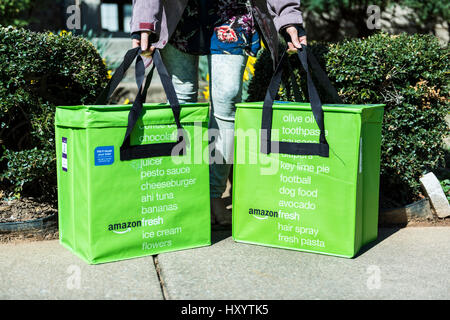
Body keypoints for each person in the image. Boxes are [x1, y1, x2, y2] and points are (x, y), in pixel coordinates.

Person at [130, 0, 307, 228]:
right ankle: (186, 193)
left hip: (232, 11)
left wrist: (289, 16)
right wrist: (145, 18)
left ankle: (214, 194)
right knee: (181, 105)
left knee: (227, 101)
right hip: (180, 13)